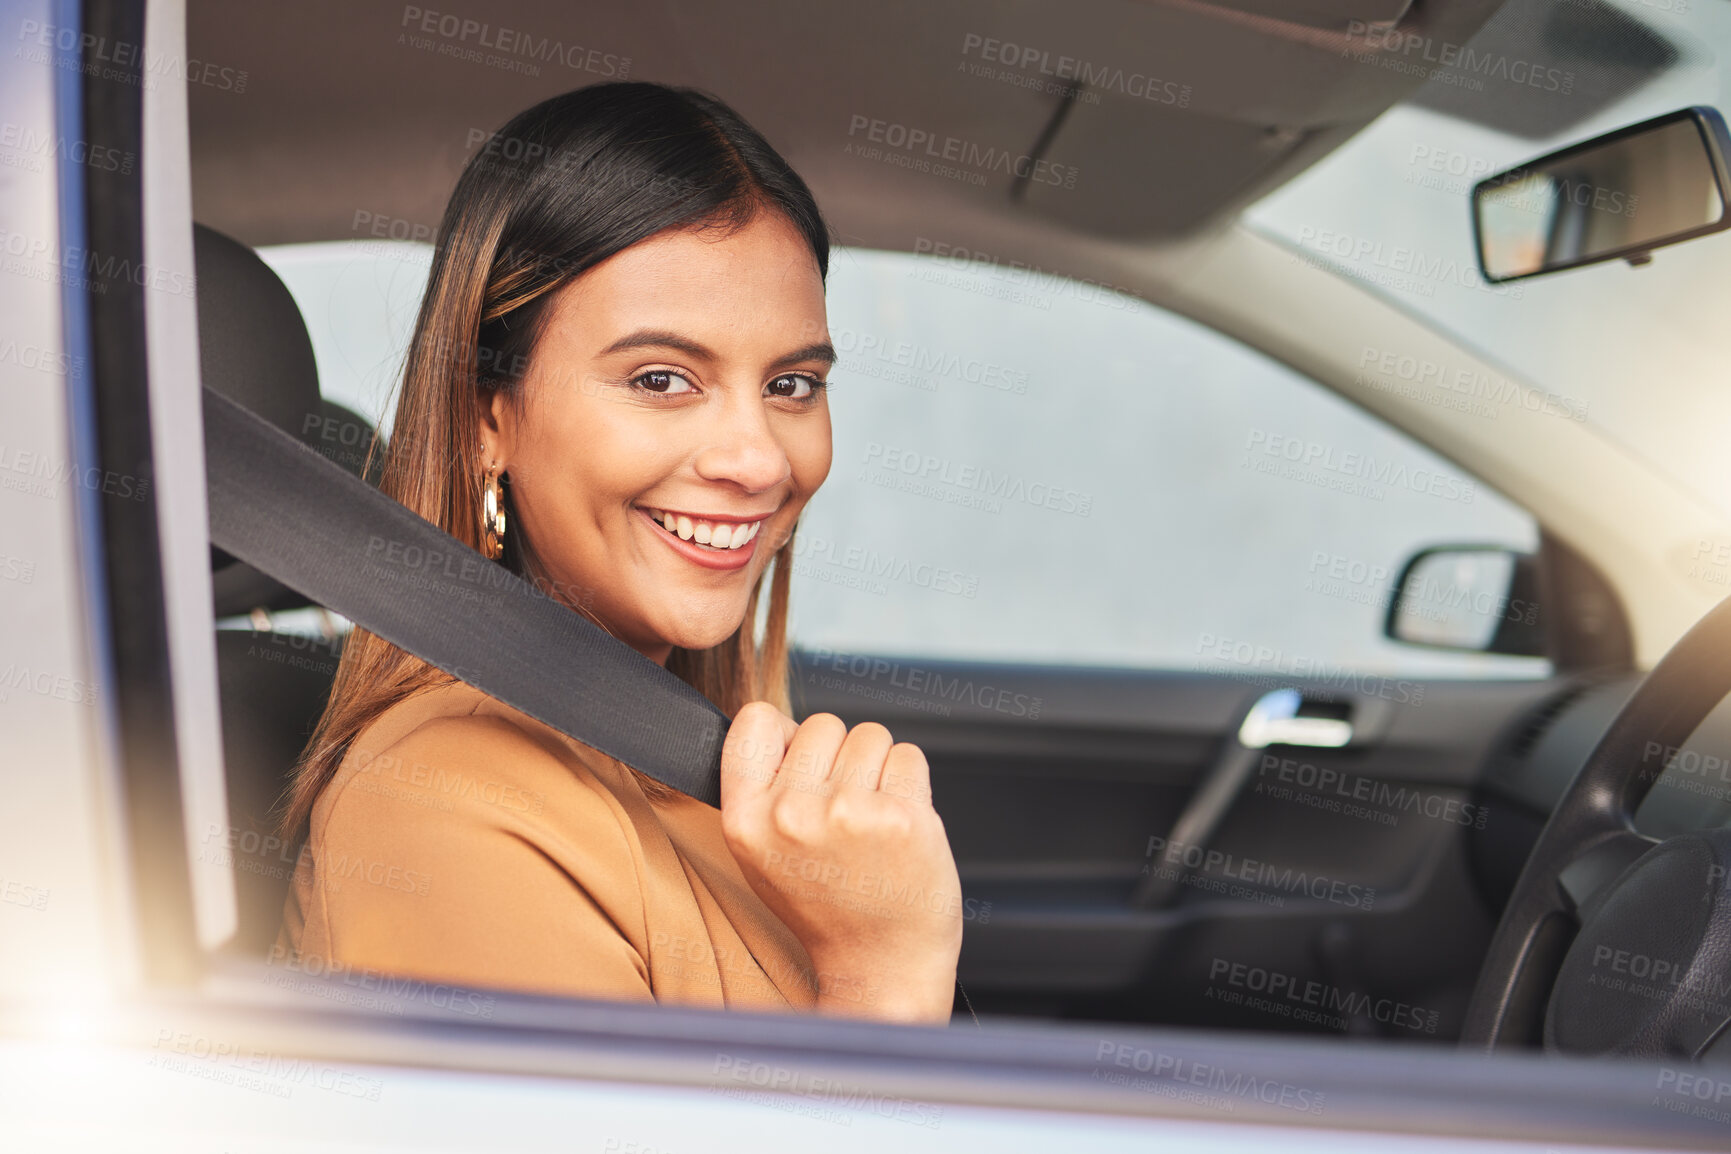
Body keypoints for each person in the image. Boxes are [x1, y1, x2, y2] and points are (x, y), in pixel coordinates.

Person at [278, 82, 963, 1024]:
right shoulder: (447, 803)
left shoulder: (686, 765)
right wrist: (884, 975)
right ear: (489, 416)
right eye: (660, 379)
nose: (757, 459)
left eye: (792, 383)